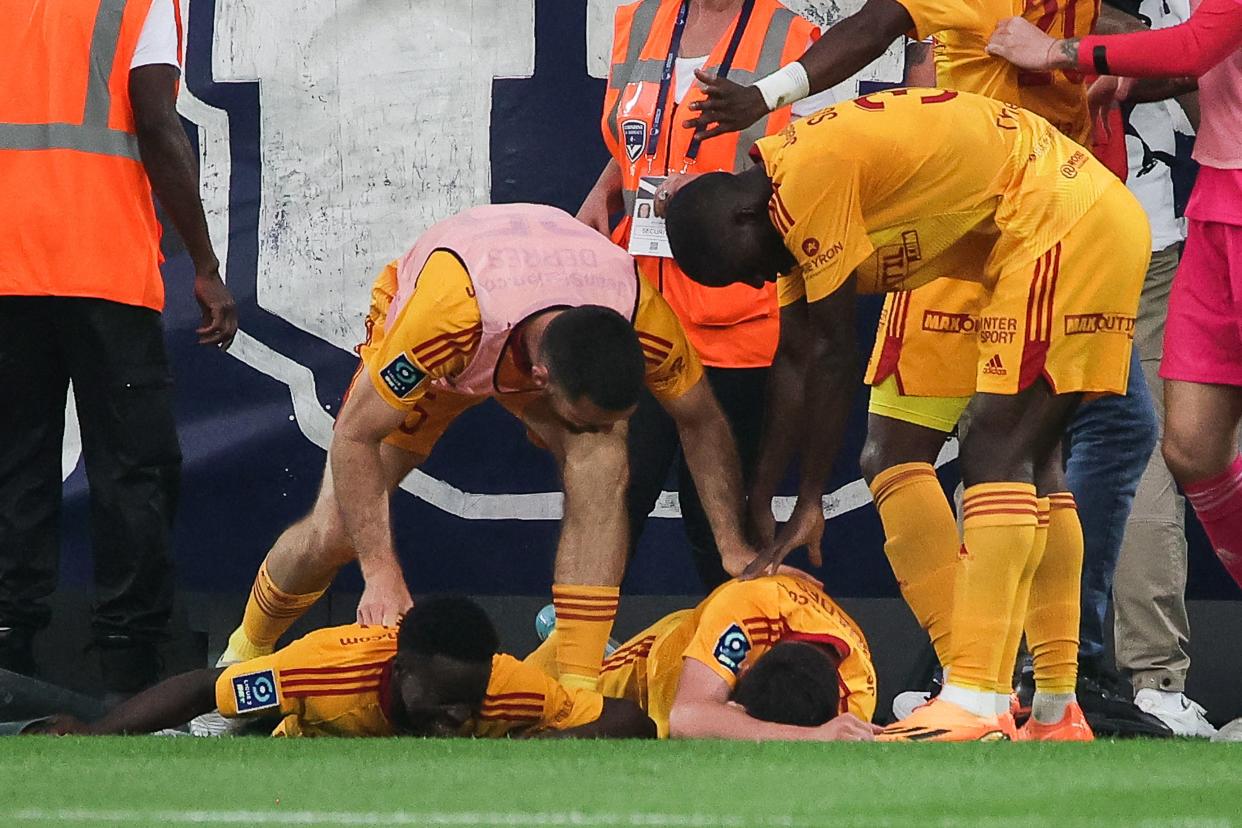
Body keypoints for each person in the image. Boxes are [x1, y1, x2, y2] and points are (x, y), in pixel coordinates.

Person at [660, 0, 1159, 740]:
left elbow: (830, 354)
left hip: (1058, 217)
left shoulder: (806, 182)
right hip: (1009, 229)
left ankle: (978, 698)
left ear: (740, 218)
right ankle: (1052, 708)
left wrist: (808, 501)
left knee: (999, 447)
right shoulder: (784, 212)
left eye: (742, 273)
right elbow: (796, 361)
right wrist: (769, 495)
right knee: (955, 451)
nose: (757, 284)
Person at [208, 203, 757, 728]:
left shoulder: (642, 316)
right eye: (583, 418)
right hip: (457, 344)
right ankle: (239, 655)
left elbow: (702, 420)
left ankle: (579, 694)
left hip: (539, 315)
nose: (590, 427)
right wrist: (380, 573)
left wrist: (732, 544)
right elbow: (354, 434)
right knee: (336, 532)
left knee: (603, 455)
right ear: (541, 381)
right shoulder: (446, 320)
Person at [987, 0, 1242, 742]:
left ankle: (1149, 674)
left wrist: (1061, 53)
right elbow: (1197, 58)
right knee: (1190, 448)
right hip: (1216, 203)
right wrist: (1125, 80)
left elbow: (1202, 40)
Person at [0, 0, 237, 694]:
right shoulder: (137, 4)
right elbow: (157, 122)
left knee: (16, 464)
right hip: (102, 270)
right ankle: (128, 664)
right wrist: (205, 264)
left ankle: (10, 656)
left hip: (9, 270)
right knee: (132, 470)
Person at [582, 0, 838, 588]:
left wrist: (721, 196)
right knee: (617, 495)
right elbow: (641, 136)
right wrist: (607, 190)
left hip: (735, 320)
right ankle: (577, 657)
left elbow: (823, 168)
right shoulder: (641, 22)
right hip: (641, 308)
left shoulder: (796, 37)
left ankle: (734, 665)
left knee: (721, 523)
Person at [19, 596, 655, 739]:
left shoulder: (507, 688)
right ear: (402, 670)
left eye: (470, 700)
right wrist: (95, 744)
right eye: (445, 702)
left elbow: (632, 719)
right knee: (86, 719)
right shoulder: (323, 667)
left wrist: (542, 747)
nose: (461, 716)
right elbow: (199, 690)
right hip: (256, 728)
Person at [529, 574, 879, 740]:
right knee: (529, 710)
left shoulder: (855, 698)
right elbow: (688, 717)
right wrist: (810, 739)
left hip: (705, 679)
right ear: (744, 667)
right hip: (657, 666)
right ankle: (571, 639)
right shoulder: (748, 608)